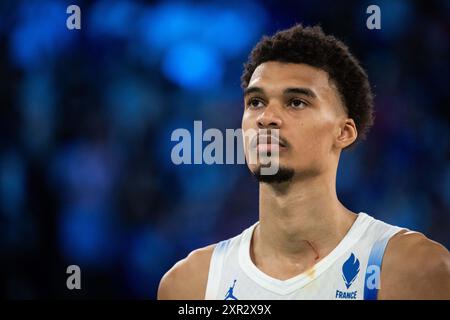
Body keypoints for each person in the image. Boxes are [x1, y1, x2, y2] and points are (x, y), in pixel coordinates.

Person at [158, 24, 450, 300]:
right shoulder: (192, 284)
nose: (266, 117)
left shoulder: (413, 269)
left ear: (344, 132)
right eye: (256, 102)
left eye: (296, 102)